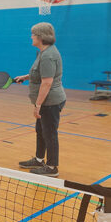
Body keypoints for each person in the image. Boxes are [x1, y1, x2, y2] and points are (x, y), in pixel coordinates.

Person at [15, 22, 66, 177]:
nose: (31, 37)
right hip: (46, 102)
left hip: (50, 102)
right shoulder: (44, 52)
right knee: (40, 131)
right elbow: (41, 74)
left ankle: (51, 167)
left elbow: (47, 82)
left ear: (41, 37)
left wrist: (38, 105)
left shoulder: (49, 55)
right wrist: (25, 77)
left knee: (49, 133)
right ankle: (39, 159)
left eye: (33, 34)